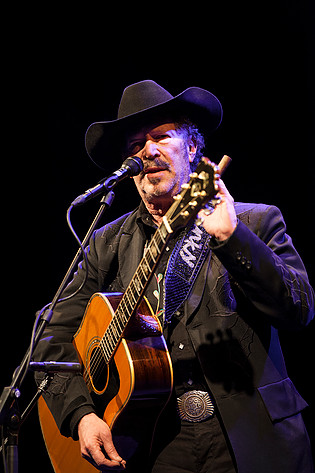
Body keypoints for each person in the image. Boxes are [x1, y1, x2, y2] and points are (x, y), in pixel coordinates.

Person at [34, 80, 314, 473]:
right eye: (134, 146)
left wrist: (233, 239)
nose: (148, 151)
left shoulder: (255, 220)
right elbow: (49, 338)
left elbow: (298, 309)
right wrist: (80, 414)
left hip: (252, 440)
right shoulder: (106, 244)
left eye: (162, 137)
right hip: (154, 446)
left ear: (194, 147)